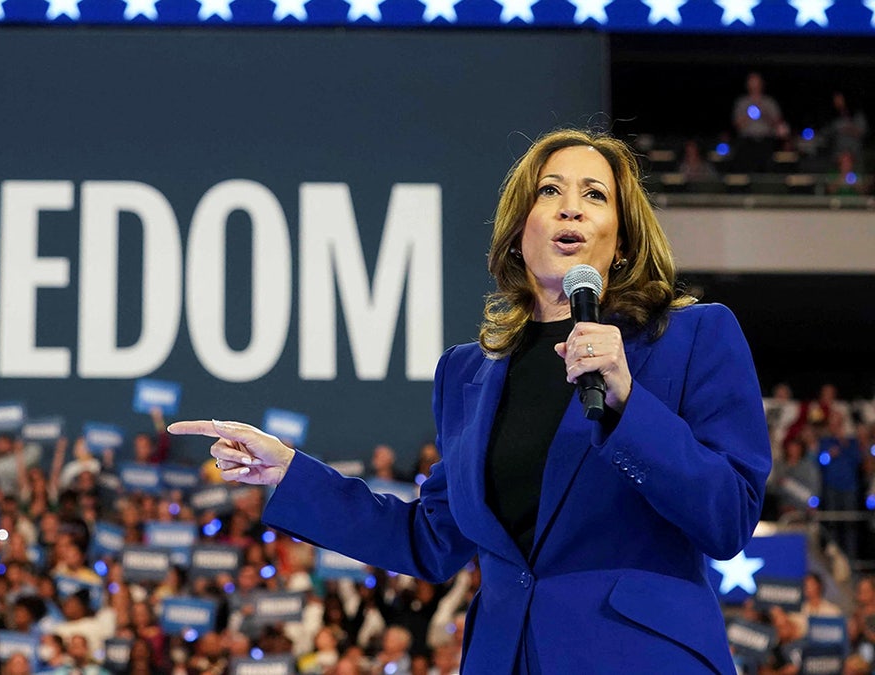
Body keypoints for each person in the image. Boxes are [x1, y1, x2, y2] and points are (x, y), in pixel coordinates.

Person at [170, 128, 771, 673]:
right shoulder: (466, 373)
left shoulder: (692, 338)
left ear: (620, 241)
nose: (570, 206)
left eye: (595, 195)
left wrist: (628, 404)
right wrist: (289, 471)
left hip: (642, 657)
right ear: (518, 234)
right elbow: (428, 540)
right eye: (550, 191)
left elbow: (728, 519)